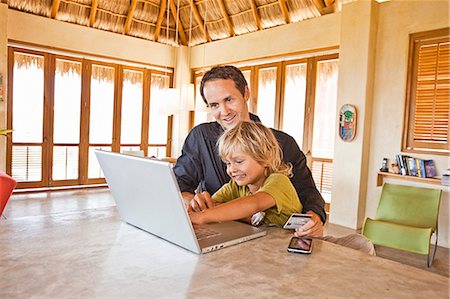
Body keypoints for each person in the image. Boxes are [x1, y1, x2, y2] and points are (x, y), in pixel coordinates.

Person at [173, 65, 325, 237]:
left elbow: (307, 191)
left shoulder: (283, 143)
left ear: (246, 93)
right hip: (221, 235)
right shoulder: (200, 136)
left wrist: (314, 217)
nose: (224, 112)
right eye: (214, 105)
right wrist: (195, 204)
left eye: (229, 100)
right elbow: (178, 184)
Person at [188, 121, 301, 227]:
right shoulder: (236, 186)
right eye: (228, 163)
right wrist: (202, 206)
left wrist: (202, 217)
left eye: (239, 161)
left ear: (266, 157)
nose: (231, 170)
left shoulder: (279, 181)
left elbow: (255, 203)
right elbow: (212, 206)